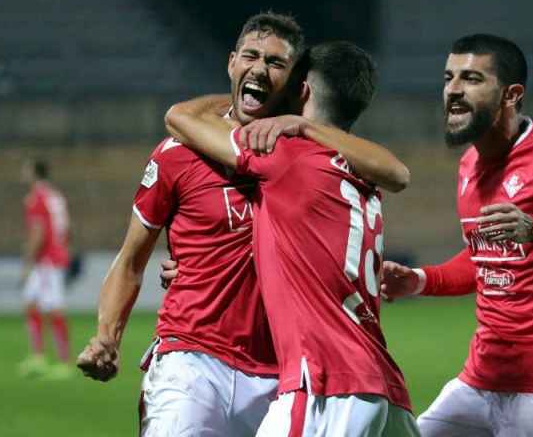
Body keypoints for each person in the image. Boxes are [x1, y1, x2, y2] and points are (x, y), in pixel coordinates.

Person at [75, 13, 409, 436]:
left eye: (275, 63)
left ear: (294, 83)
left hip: (283, 374)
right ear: (231, 63)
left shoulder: (304, 153)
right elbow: (131, 259)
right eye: (250, 56)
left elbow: (394, 172)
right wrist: (107, 335)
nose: (259, 68)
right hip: (194, 359)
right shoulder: (179, 154)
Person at [165, 41, 419, 436]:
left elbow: (180, 118)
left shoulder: (288, 155)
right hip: (383, 385)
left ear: (301, 90)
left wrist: (266, 101)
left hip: (325, 381)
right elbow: (399, 173)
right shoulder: (362, 170)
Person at [379, 34, 533, 437]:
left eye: (471, 78)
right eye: (448, 77)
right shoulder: (470, 163)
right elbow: (484, 258)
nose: (453, 90)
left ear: (511, 94)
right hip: (482, 377)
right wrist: (421, 280)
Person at [18, 158, 73, 379]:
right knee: (31, 302)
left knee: (53, 308)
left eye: (25, 169)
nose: (22, 172)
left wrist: (27, 263)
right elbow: (67, 227)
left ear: (33, 173)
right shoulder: (55, 196)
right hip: (53, 256)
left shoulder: (36, 199)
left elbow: (38, 233)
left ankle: (64, 362)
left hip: (47, 260)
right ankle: (38, 356)